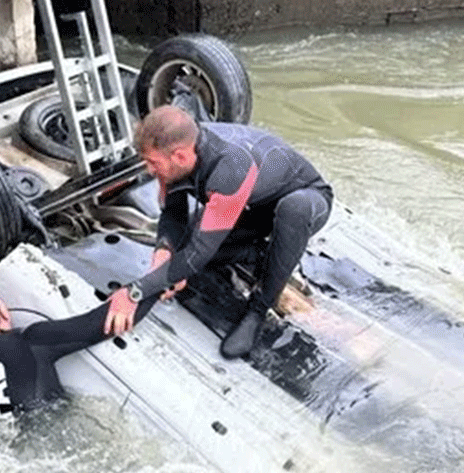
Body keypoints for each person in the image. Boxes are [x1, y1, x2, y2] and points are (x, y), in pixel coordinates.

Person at [103, 105, 333, 360]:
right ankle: (256, 253)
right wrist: (163, 251)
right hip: (249, 207)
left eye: (153, 163)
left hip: (305, 201)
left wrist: (135, 292)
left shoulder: (230, 167)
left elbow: (198, 253)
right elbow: (173, 212)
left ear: (179, 156)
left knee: (293, 210)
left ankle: (258, 309)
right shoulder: (176, 151)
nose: (149, 170)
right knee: (182, 250)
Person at [0, 287, 157, 419]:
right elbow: (102, 324)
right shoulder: (31, 340)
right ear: (3, 313)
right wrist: (152, 287)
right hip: (50, 434)